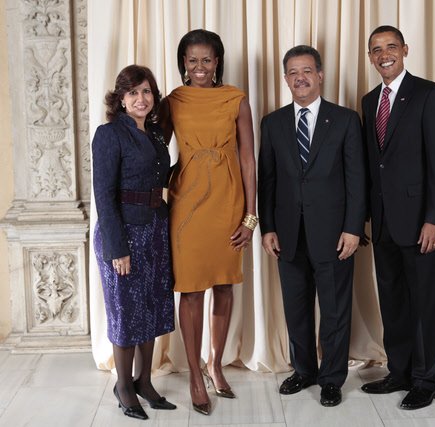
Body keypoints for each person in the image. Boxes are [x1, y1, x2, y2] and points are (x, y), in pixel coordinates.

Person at [258, 45, 366, 407]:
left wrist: (353, 228)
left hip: (335, 234)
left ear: (320, 75)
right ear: (285, 78)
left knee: (335, 310)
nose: (300, 77)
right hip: (287, 234)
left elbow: (357, 179)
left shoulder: (346, 120)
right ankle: (304, 370)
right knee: (296, 308)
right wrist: (267, 227)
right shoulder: (272, 123)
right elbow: (267, 181)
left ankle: (332, 379)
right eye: (293, 71)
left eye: (307, 70)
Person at [159, 29, 256, 416]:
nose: (200, 67)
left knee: (224, 284)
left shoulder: (236, 99)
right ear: (184, 62)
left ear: (218, 62)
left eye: (207, 59)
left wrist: (251, 216)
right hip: (187, 206)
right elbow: (156, 154)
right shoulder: (173, 100)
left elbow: (249, 159)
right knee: (192, 290)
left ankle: (216, 363)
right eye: (192, 60)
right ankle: (196, 376)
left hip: (229, 202)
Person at [360, 25, 435, 410]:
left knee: (426, 303)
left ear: (405, 50)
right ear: (370, 57)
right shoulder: (369, 101)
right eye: (377, 49)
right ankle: (398, 371)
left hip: (420, 223)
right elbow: (374, 165)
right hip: (383, 223)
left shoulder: (429, 94)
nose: (384, 54)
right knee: (394, 303)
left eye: (391, 47)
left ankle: (426, 379)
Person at [92, 65, 176, 420]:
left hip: (156, 229)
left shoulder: (156, 135)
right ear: (121, 99)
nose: (141, 99)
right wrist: (118, 248)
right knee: (127, 312)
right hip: (123, 234)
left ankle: (145, 380)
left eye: (147, 92)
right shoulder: (109, 134)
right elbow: (104, 194)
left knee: (153, 307)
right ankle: (124, 385)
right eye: (133, 93)